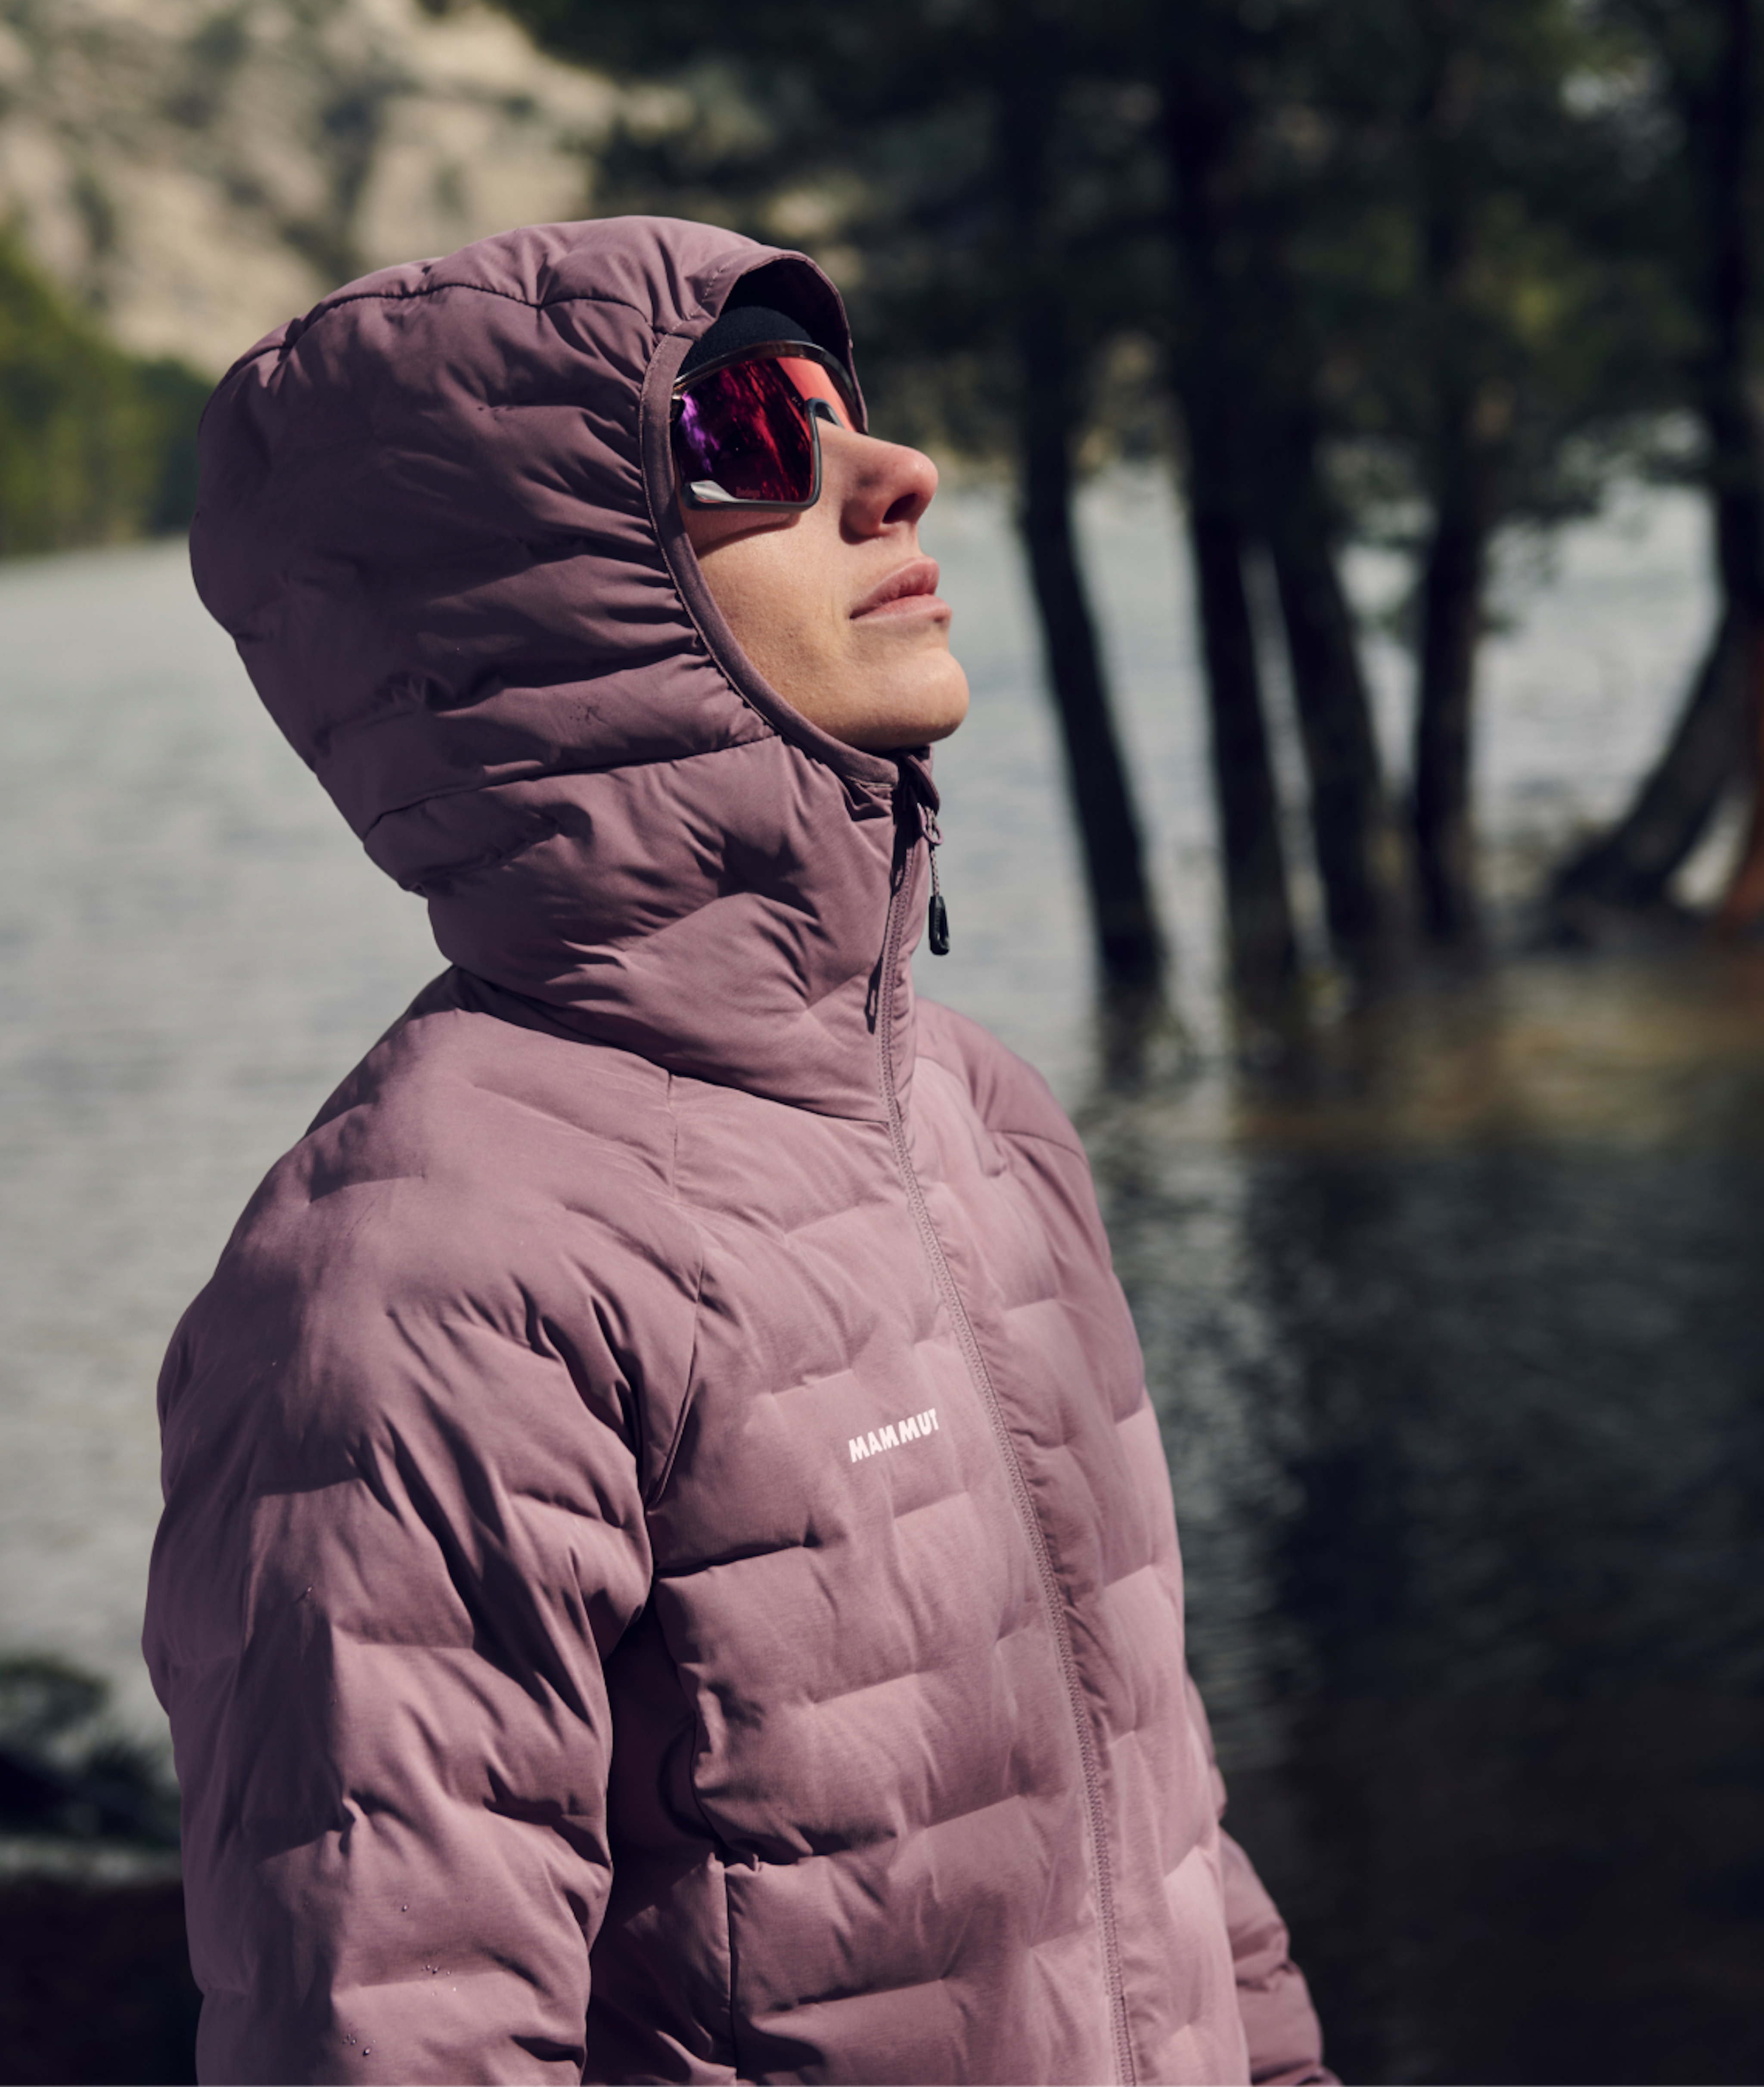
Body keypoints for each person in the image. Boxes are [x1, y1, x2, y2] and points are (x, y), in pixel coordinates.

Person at [145, 216, 1336, 2087]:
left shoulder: (986, 1122)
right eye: (748, 433)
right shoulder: (419, 1297)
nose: (892, 474)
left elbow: (1153, 1816)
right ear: (522, 594)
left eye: (843, 403)